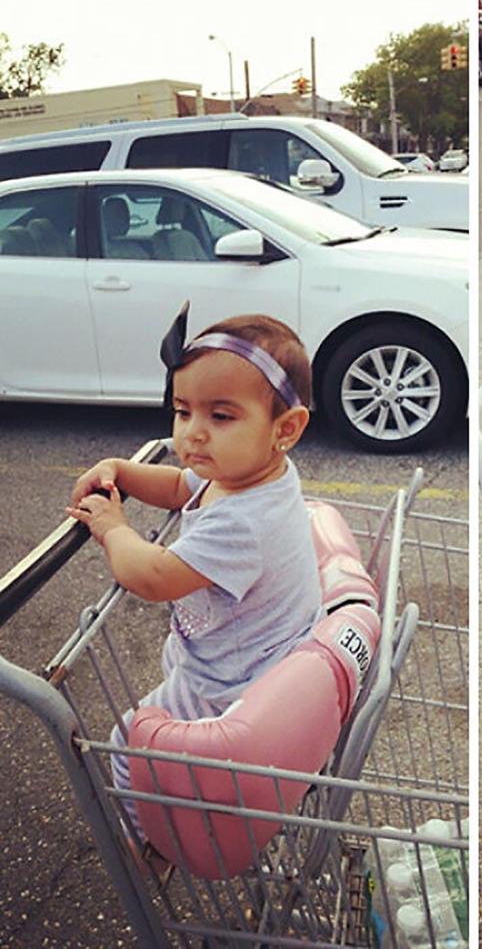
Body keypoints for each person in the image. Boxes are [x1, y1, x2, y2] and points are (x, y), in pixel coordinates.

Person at [67, 312, 321, 842]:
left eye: (222, 416)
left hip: (231, 688)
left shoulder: (245, 521)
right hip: (249, 657)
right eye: (183, 411)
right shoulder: (247, 474)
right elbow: (182, 485)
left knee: (128, 750)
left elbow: (154, 576)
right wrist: (124, 470)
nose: (193, 433)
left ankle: (151, 849)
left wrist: (114, 526)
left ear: (286, 429)